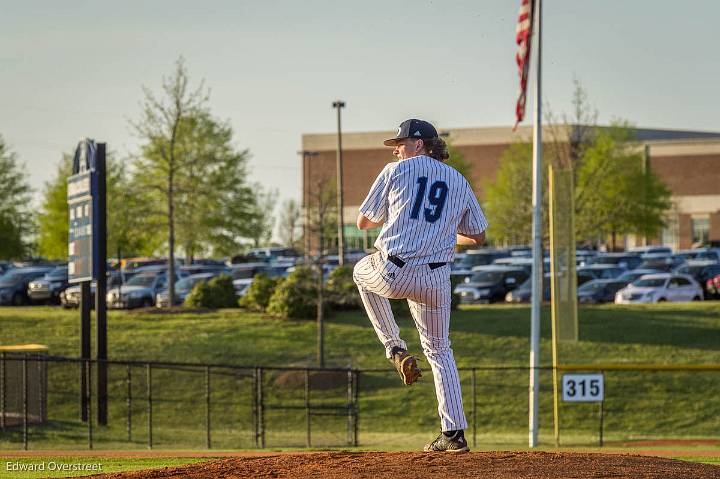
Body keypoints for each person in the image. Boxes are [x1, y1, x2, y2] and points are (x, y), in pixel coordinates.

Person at [353, 118, 488, 453]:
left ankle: (395, 349)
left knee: (359, 272)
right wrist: (443, 234)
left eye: (401, 143)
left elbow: (363, 222)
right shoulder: (459, 180)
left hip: (392, 271)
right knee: (440, 351)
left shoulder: (395, 171)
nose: (397, 149)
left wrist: (399, 215)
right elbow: (478, 235)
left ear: (418, 144)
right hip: (434, 279)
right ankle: (454, 434)